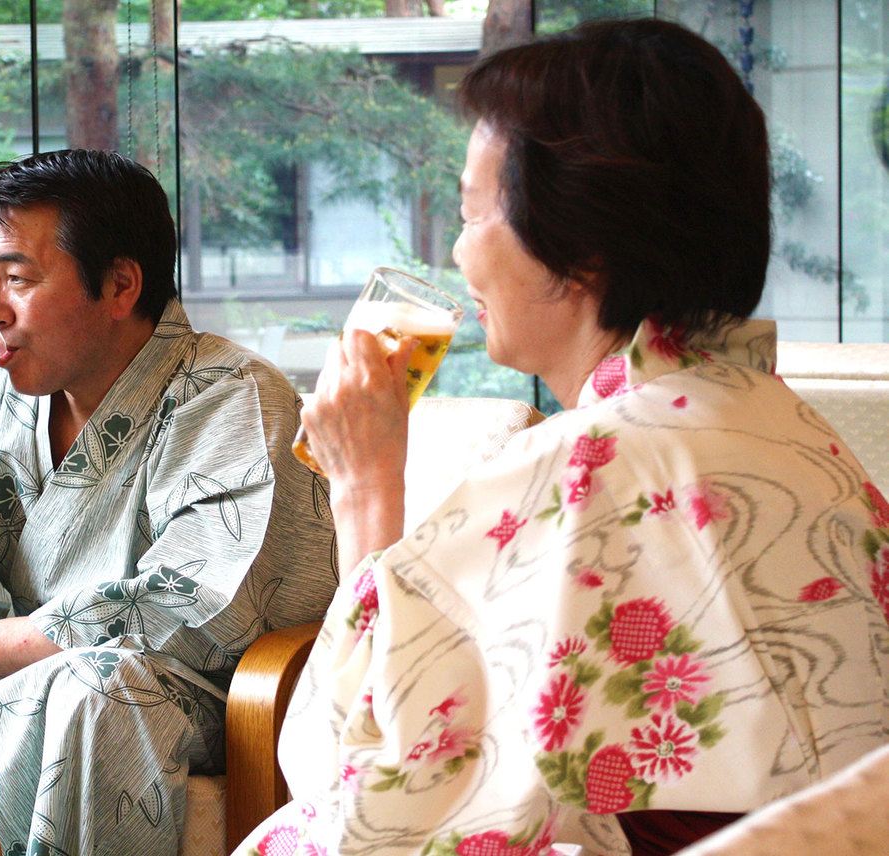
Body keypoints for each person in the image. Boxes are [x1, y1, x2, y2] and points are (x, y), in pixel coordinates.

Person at [239, 18, 889, 856]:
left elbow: (362, 779)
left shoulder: (590, 462)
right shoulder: (795, 434)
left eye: (473, 215)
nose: (457, 254)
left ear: (577, 250)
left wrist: (364, 488)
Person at [0, 149, 338, 855]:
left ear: (119, 285)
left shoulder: (230, 394)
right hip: (16, 672)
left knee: (98, 690)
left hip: (181, 695)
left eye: (17, 278)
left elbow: (195, 607)